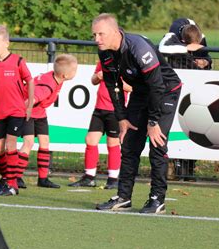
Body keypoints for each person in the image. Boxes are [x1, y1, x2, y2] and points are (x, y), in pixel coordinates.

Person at [92, 13, 182, 214]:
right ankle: (124, 197)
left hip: (165, 90)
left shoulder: (138, 48)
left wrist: (153, 121)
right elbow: (112, 85)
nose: (97, 39)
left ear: (115, 32)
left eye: (101, 34)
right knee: (130, 146)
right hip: (141, 92)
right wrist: (122, 118)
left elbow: (157, 86)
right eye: (94, 35)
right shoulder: (105, 52)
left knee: (157, 144)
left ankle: (157, 199)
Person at [159, 18, 212, 181]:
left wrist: (205, 62)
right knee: (174, 124)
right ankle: (174, 165)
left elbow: (208, 57)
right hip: (176, 87)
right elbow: (161, 49)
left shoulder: (200, 35)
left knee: (194, 125)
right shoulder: (172, 35)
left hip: (195, 88)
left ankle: (189, 167)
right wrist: (186, 48)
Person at [17, 54, 78, 189]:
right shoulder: (47, 87)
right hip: (27, 112)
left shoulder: (56, 78)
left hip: (40, 113)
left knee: (44, 142)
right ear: (65, 75)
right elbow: (33, 98)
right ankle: (16, 177)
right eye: (74, 70)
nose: (76, 72)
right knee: (29, 142)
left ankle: (43, 178)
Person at [0, 25, 34, 196]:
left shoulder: (18, 61)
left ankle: (13, 185)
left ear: (7, 43)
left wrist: (28, 106)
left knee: (10, 144)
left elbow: (30, 81)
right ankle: (6, 179)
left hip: (16, 111)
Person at [68, 61, 131, 189]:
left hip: (115, 110)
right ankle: (89, 177)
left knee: (112, 143)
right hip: (99, 109)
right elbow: (93, 80)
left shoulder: (128, 63)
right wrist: (98, 76)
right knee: (90, 140)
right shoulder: (104, 60)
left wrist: (116, 81)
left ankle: (113, 179)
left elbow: (131, 88)